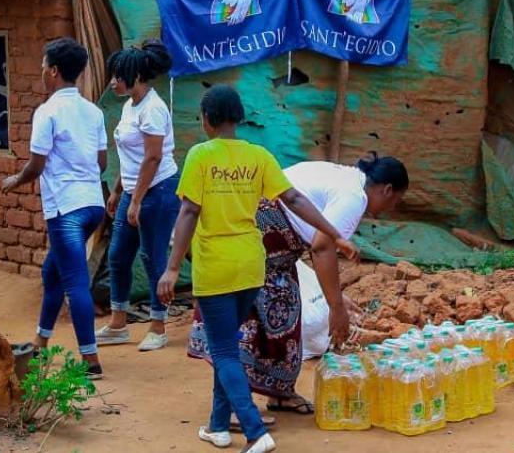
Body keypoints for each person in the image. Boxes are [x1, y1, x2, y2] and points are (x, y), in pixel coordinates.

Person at [157, 85, 358, 453]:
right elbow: (295, 199)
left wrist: (172, 269)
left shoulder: (201, 155)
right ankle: (218, 426)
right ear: (238, 118)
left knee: (223, 351)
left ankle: (254, 431)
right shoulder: (259, 155)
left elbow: (189, 211)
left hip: (216, 268)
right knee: (227, 345)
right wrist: (335, 234)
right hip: (252, 267)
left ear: (206, 120)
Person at [188, 154, 409, 417]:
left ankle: (280, 392)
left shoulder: (345, 177)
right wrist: (336, 308)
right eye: (395, 200)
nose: (392, 207)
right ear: (386, 190)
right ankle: (236, 406)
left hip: (267, 237)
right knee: (249, 317)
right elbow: (321, 246)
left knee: (287, 303)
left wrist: (335, 297)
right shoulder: (354, 197)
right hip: (262, 240)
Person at [2, 38, 108, 379]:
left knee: (75, 282)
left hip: (66, 210)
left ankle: (91, 361)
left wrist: (15, 180)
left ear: (55, 71)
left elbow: (36, 164)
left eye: (44, 68)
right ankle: (40, 341)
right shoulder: (93, 111)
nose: (42, 73)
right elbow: (102, 161)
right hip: (93, 205)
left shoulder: (46, 112)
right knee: (53, 274)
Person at [97, 41, 180, 352]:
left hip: (157, 192)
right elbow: (131, 157)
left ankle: (158, 326)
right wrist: (119, 190)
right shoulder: (130, 105)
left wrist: (136, 200)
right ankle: (119, 322)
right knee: (118, 255)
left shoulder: (153, 109)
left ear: (136, 76)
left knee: (152, 256)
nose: (113, 82)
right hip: (135, 190)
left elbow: (153, 158)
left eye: (118, 76)